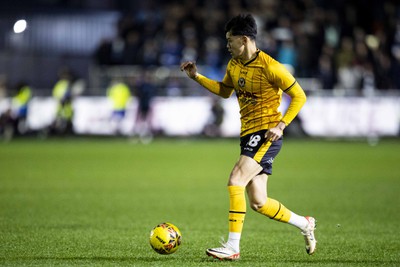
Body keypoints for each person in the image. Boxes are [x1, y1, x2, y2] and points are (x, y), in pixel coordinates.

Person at [180, 14, 316, 261]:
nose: (227, 45)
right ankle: (305, 223)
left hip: (266, 133)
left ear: (244, 39)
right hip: (248, 135)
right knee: (259, 202)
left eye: (230, 40)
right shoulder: (234, 64)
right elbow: (224, 91)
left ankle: (233, 247)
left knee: (235, 180)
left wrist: (281, 125)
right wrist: (196, 77)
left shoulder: (271, 67)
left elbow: (299, 96)